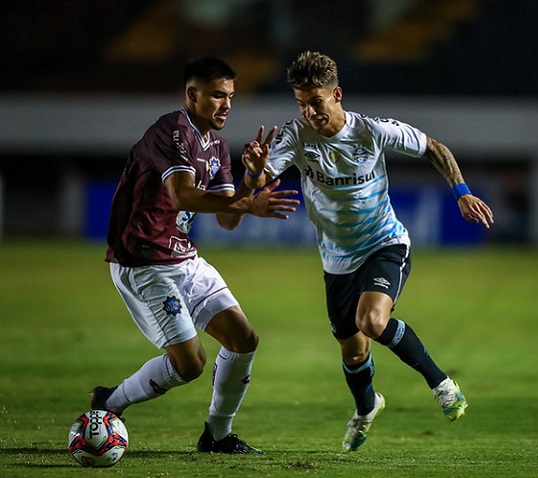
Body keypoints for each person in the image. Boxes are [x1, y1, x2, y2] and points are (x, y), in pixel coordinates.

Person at [242, 51, 494, 451]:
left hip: (384, 242)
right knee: (353, 351)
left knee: (372, 321)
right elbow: (256, 182)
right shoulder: (295, 136)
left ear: (337, 94)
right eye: (301, 104)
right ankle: (365, 408)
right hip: (336, 260)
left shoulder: (372, 131)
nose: (309, 112)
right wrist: (254, 168)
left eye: (316, 102)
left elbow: (435, 147)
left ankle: (442, 384)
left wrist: (461, 192)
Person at [90, 56, 300, 454]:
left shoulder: (218, 146)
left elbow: (226, 219)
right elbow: (183, 195)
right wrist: (246, 201)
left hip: (184, 260)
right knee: (190, 365)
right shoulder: (170, 131)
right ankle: (110, 401)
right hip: (145, 261)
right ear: (192, 94)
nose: (227, 105)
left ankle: (217, 435)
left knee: (244, 339)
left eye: (231, 97)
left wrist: (252, 180)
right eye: (218, 95)